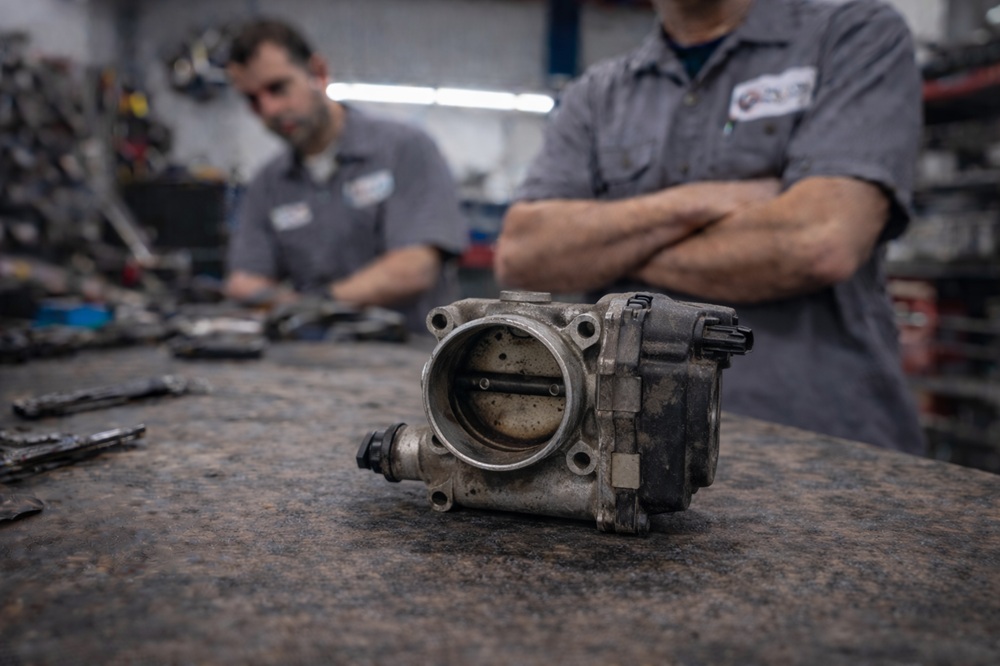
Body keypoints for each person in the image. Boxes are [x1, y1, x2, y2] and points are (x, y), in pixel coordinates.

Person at [494, 0, 925, 453]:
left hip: (821, 446)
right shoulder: (599, 93)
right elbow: (524, 256)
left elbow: (818, 242)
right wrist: (705, 201)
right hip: (626, 443)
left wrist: (604, 250)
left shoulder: (852, 34)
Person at [224, 19, 467, 332]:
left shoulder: (405, 150)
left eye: (278, 88)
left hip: (412, 359)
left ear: (318, 73)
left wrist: (314, 304)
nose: (268, 109)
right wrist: (292, 306)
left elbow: (414, 268)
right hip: (307, 361)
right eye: (252, 100)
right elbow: (244, 280)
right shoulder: (267, 185)